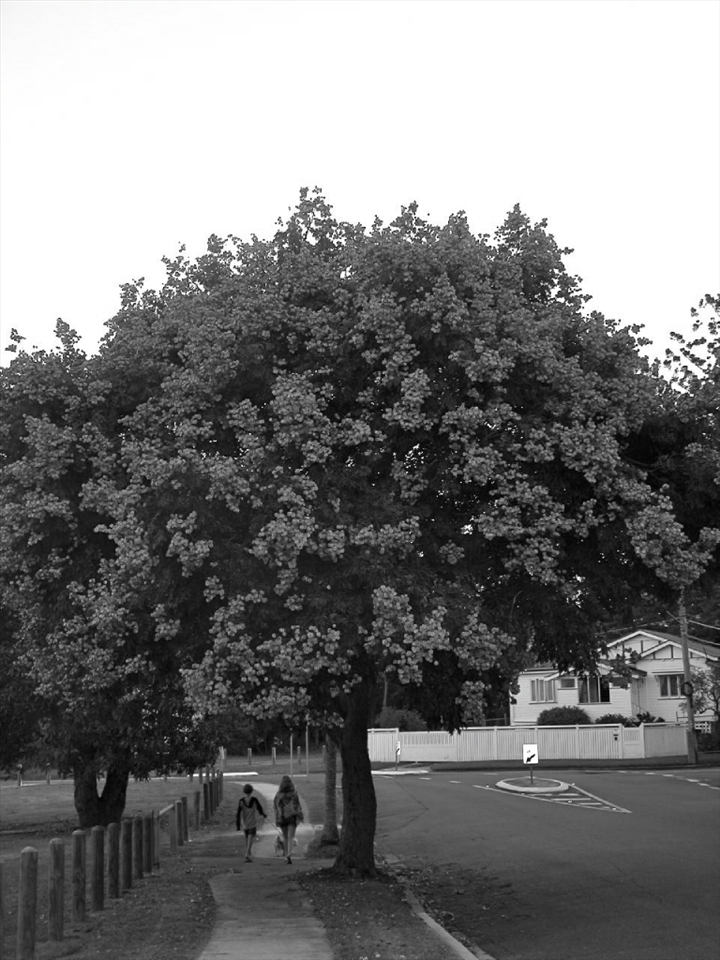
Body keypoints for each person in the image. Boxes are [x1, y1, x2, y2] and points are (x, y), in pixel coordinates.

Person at [274, 775, 304, 864]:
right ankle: (289, 854)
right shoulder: (294, 794)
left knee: (285, 837)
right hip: (292, 817)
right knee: (291, 837)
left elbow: (276, 808)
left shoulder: (278, 795)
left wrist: (277, 819)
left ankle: (286, 855)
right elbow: (298, 806)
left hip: (282, 818)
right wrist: (299, 816)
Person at [236, 783, 267, 862]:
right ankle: (247, 853)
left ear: (244, 791)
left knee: (247, 838)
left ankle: (249, 854)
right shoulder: (254, 800)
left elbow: (238, 813)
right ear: (251, 791)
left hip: (245, 823)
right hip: (252, 822)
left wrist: (238, 825)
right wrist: (263, 814)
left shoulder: (241, 801)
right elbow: (259, 808)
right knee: (250, 838)